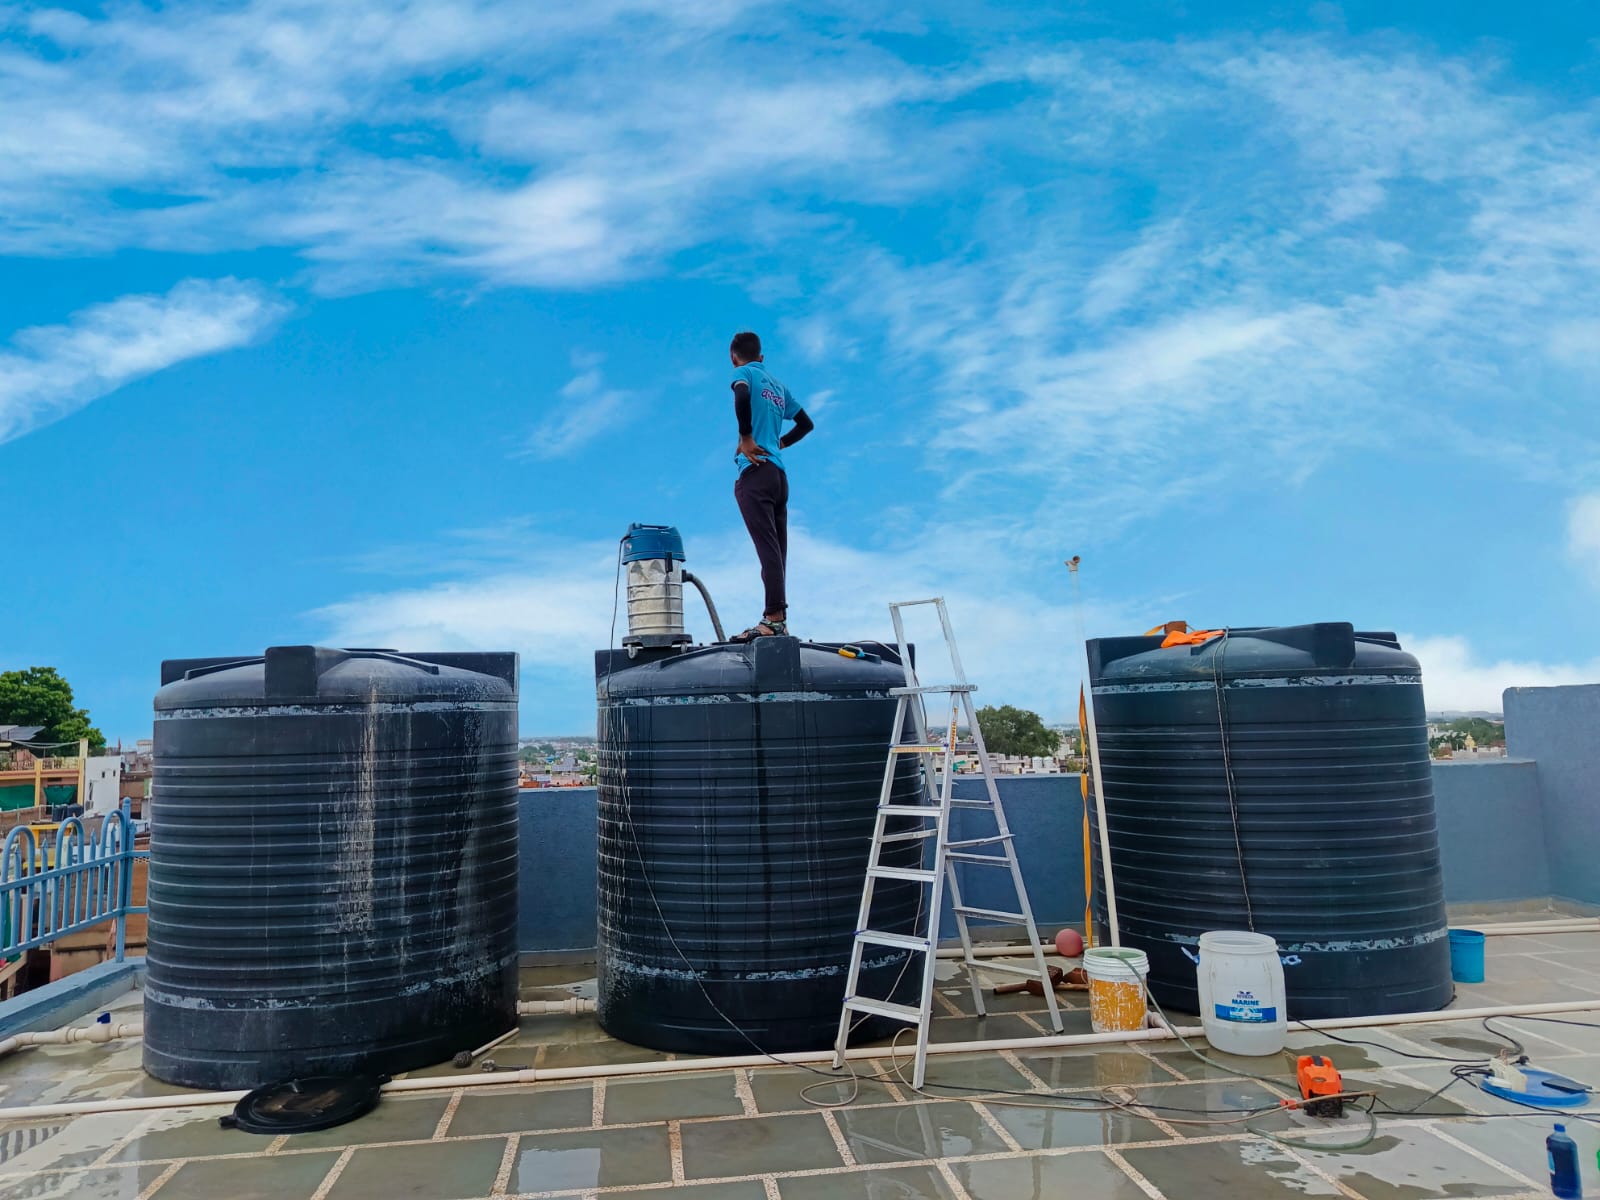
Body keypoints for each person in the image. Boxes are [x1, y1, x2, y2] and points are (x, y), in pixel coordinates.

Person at [727, 331, 813, 641]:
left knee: (767, 550)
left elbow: (741, 396)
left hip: (756, 473)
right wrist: (780, 443)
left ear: (734, 357)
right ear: (761, 357)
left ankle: (773, 619)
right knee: (777, 551)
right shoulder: (778, 386)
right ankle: (779, 619)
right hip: (779, 476)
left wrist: (747, 438)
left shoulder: (744, 374)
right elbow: (806, 424)